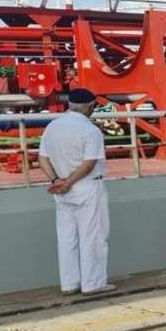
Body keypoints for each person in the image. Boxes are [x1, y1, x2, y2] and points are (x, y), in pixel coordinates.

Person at [39, 88, 113, 296]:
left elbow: (42, 158)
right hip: (87, 187)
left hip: (61, 190)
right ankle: (93, 283)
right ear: (90, 106)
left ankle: (69, 284)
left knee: (67, 238)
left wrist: (56, 181)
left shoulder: (52, 127)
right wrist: (69, 182)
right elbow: (89, 163)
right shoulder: (90, 130)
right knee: (93, 237)